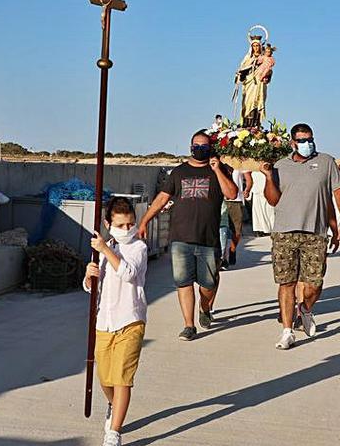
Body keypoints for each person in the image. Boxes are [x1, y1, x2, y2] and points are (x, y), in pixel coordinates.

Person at [138, 130, 237, 341]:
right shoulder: (178, 173)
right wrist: (145, 220)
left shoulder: (218, 172)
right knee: (183, 282)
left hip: (208, 238)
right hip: (181, 237)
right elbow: (162, 199)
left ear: (210, 149)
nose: (199, 149)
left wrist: (217, 169)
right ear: (190, 147)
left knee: (208, 284)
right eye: (196, 146)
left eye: (204, 146)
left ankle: (205, 307)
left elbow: (231, 193)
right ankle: (189, 325)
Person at [261, 123, 340, 350]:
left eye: (309, 139)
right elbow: (272, 200)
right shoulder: (280, 166)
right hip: (284, 232)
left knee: (314, 284)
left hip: (315, 232)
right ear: (292, 143)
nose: (307, 144)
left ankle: (305, 309)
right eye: (301, 140)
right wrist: (269, 177)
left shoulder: (326, 162)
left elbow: (337, 194)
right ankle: (287, 331)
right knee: (286, 283)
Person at [82, 197, 147, 446]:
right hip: (104, 322)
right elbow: (92, 289)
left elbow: (129, 273)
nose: (126, 229)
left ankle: (114, 432)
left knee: (122, 379)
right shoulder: (102, 248)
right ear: (109, 224)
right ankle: (113, 403)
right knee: (105, 379)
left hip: (130, 320)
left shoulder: (137, 248)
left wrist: (106, 251)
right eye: (120, 225)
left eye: (130, 223)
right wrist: (89, 277)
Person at [223, 169, 252, 267]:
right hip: (220, 200)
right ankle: (221, 257)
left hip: (236, 200)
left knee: (237, 230)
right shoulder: (217, 162)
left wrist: (247, 190)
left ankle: (232, 249)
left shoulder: (239, 163)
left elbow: (248, 179)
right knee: (219, 229)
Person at [236, 37, 265, 128]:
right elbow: (241, 69)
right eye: (254, 46)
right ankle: (246, 123)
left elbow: (269, 71)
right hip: (249, 83)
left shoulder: (264, 58)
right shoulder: (248, 58)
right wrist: (240, 75)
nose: (256, 48)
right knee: (248, 102)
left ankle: (256, 124)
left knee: (258, 101)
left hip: (259, 83)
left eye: (257, 46)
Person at [249, 170, 275, 235]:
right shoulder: (253, 169)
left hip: (267, 191)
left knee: (269, 211)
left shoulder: (268, 169)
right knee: (259, 212)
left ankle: (271, 228)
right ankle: (261, 230)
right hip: (257, 192)